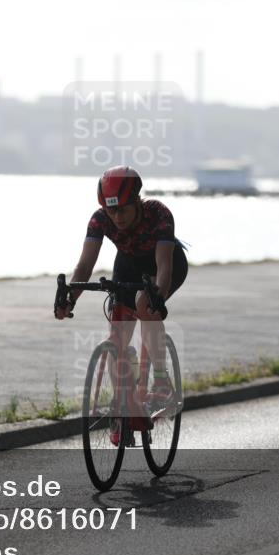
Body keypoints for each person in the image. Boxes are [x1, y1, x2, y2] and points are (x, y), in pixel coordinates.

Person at [55, 166, 188, 440]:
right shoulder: (100, 219)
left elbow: (164, 268)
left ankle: (162, 381)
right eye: (111, 211)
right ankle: (124, 411)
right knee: (117, 335)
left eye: (123, 210)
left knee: (143, 303)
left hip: (166, 263)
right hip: (127, 266)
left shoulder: (159, 214)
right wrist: (70, 299)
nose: (117, 218)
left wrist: (156, 298)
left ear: (138, 200)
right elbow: (84, 266)